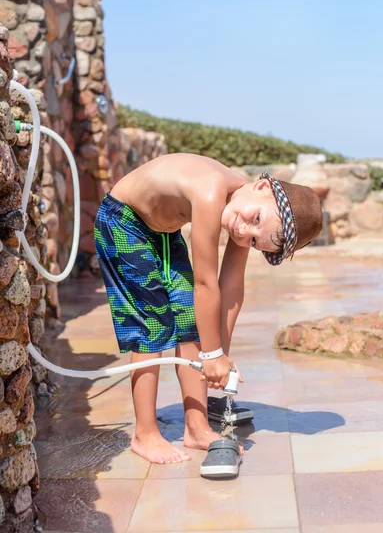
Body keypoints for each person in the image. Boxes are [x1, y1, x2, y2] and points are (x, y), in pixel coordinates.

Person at [94, 153, 322, 464]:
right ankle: (144, 434)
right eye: (256, 219)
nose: (243, 233)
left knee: (191, 322)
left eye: (255, 242)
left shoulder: (239, 206)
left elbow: (230, 289)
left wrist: (218, 356)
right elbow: (205, 284)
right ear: (262, 187)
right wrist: (211, 355)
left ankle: (197, 427)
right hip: (123, 221)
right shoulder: (212, 190)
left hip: (161, 232)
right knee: (152, 324)